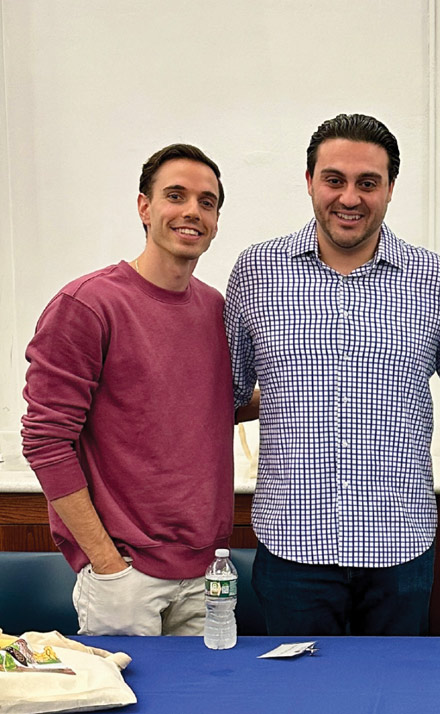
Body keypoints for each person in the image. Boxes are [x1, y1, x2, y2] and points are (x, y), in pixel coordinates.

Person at [225, 114, 440, 636]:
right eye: (334, 179)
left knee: (391, 698)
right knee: (298, 698)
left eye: (368, 183)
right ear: (309, 181)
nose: (350, 197)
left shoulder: (432, 279)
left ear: (390, 189)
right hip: (291, 547)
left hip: (400, 550)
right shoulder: (256, 271)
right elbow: (224, 395)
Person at [21, 144, 234, 636]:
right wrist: (106, 562)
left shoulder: (214, 310)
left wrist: (315, 385)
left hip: (207, 576)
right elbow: (45, 441)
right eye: (175, 195)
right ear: (144, 206)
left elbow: (214, 403)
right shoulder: (88, 305)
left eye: (207, 202)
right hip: (125, 576)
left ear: (217, 219)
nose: (192, 212)